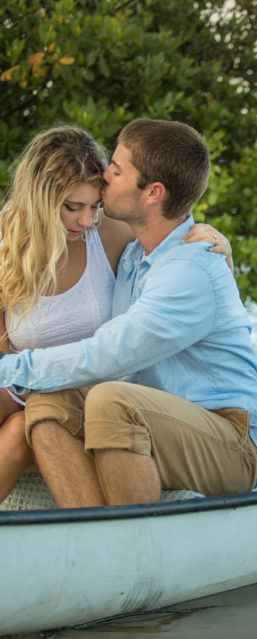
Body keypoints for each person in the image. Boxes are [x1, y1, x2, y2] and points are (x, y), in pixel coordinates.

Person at [0, 124, 233, 504]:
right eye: (72, 208)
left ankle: (103, 540)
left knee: (31, 418)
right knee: (17, 418)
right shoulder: (7, 252)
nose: (85, 220)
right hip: (28, 391)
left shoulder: (108, 234)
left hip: (96, 400)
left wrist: (219, 244)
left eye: (94, 206)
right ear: (38, 201)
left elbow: (166, 243)